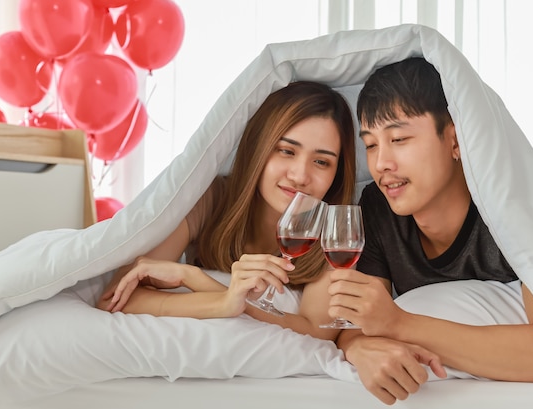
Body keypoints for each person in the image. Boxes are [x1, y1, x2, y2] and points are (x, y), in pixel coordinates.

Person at [326, 58, 533, 404]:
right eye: (372, 144)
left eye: (399, 138)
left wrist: (401, 324)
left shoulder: (515, 204)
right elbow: (362, 320)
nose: (381, 164)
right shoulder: (377, 210)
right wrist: (360, 348)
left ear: (455, 139)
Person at [95, 81, 363, 341]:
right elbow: (119, 296)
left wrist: (197, 280)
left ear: (337, 173)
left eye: (321, 161)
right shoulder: (210, 199)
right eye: (286, 151)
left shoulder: (336, 237)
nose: (300, 175)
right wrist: (223, 302)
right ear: (259, 148)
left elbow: (316, 332)